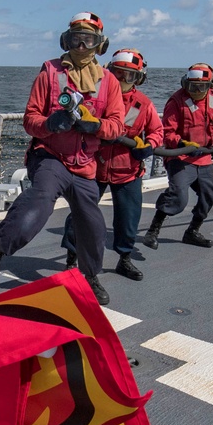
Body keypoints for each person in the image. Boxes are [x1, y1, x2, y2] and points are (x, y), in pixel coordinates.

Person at [0, 12, 125, 305]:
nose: (81, 46)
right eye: (75, 39)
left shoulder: (109, 82)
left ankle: (89, 275)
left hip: (85, 164)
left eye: (89, 40)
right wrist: (49, 124)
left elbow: (117, 125)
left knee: (92, 221)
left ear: (100, 45)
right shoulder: (49, 74)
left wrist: (96, 126)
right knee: (40, 200)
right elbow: (30, 118)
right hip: (51, 156)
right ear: (65, 41)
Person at [62, 49, 162, 281]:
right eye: (119, 74)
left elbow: (157, 131)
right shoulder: (95, 96)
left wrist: (149, 145)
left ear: (139, 78)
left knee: (128, 218)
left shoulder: (143, 104)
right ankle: (71, 258)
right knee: (80, 215)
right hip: (93, 168)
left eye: (130, 76)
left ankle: (124, 260)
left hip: (127, 170)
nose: (124, 80)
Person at [143, 63, 213, 250]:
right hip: (180, 158)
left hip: (204, 158)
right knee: (178, 197)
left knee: (208, 194)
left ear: (210, 85)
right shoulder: (177, 101)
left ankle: (192, 231)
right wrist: (183, 144)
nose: (196, 91)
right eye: (192, 86)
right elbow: (167, 133)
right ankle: (153, 231)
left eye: (201, 87)